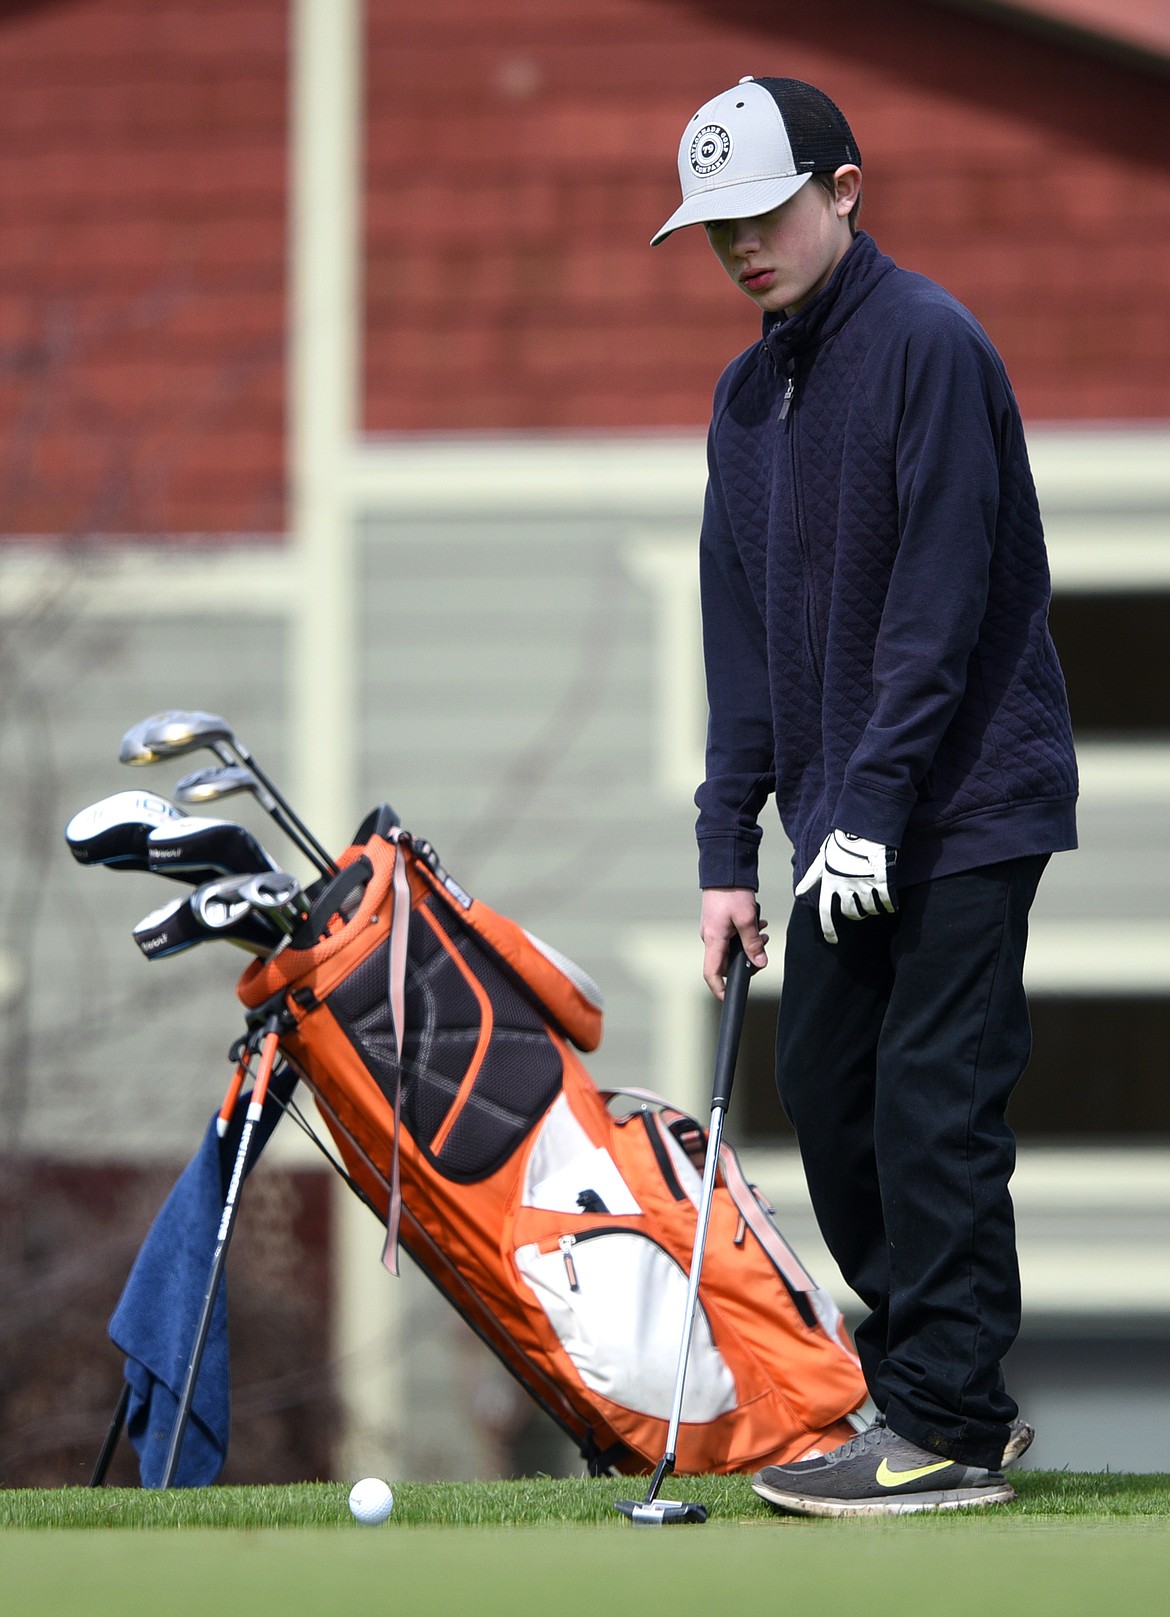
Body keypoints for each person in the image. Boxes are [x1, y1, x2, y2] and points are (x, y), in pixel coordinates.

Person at [652, 76, 1077, 1517]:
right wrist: (728, 848)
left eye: (761, 216)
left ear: (842, 189)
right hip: (842, 815)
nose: (740, 249)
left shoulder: (927, 347)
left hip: (959, 806)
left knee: (927, 1106)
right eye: (715, 229)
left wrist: (876, 805)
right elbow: (743, 635)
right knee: (831, 1095)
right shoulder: (746, 395)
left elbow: (939, 607)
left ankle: (945, 1416)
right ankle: (930, 1386)